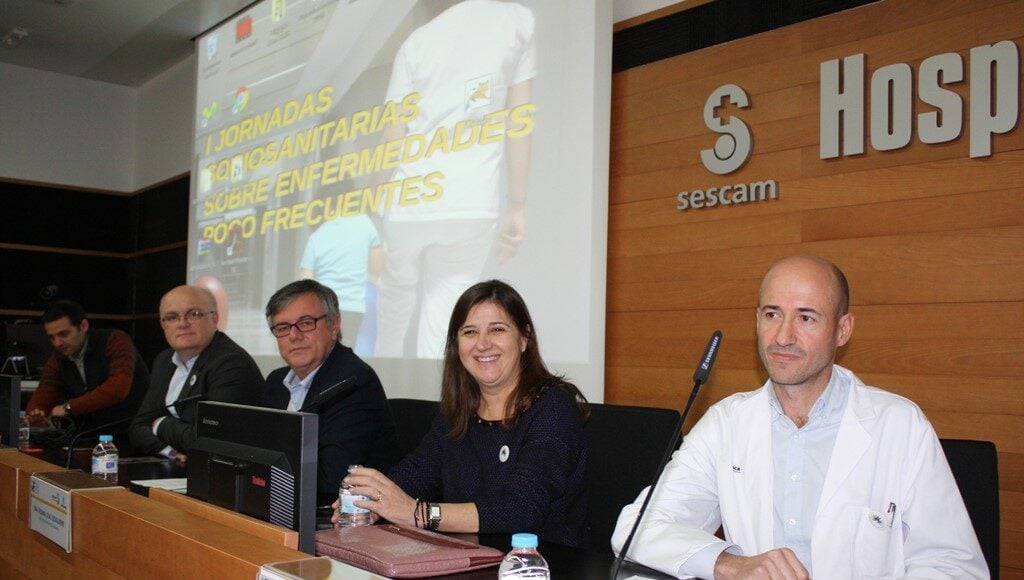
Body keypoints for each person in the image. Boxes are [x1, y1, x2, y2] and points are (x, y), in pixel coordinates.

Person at [611, 255, 987, 579]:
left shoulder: (900, 425)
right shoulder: (727, 422)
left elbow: (954, 567)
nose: (783, 336)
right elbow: (635, 529)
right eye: (772, 314)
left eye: (806, 318)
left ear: (842, 330)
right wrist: (731, 565)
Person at [340, 280, 589, 547]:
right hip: (466, 557)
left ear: (524, 338)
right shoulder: (459, 409)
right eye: (470, 332)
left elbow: (522, 508)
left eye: (497, 329)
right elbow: (418, 473)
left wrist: (417, 513)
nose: (482, 344)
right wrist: (369, 500)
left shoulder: (553, 408)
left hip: (538, 562)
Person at [374, 1, 536, 359]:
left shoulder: (415, 44)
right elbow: (519, 123)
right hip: (472, 202)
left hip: (410, 201)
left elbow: (393, 138)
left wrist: (373, 199)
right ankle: (431, 394)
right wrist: (517, 205)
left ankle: (384, 377)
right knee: (445, 319)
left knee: (395, 302)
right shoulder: (517, 21)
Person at [262, 279, 399, 506]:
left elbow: (332, 479)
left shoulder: (353, 382)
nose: (294, 336)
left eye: (306, 323)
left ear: (334, 326)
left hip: (339, 515)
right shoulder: (276, 382)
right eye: (283, 328)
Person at [130, 285, 264, 462]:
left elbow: (212, 442)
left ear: (214, 318)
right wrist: (170, 452)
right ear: (162, 324)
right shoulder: (164, 360)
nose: (182, 324)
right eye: (172, 317)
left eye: (194, 314)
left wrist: (161, 424)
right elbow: (138, 427)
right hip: (176, 465)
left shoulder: (231, 364)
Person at [25, 300, 149, 435]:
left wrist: (69, 407)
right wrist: (36, 414)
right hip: (90, 434)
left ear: (83, 326)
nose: (57, 343)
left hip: (133, 430)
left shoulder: (115, 340)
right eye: (52, 337)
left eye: (63, 334)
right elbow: (46, 390)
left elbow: (118, 389)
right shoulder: (59, 357)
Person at [298, 214, 384, 349]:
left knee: (324, 353)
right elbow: (377, 269)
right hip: (353, 307)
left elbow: (305, 281)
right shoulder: (364, 223)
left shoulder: (316, 237)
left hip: (324, 308)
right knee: (345, 354)